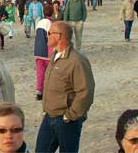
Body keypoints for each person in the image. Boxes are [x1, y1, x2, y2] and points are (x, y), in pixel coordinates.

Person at [35, 21, 95, 153]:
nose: (47, 36)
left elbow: (86, 92)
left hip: (66, 120)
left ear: (58, 36)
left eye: (49, 33)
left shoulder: (77, 61)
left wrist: (70, 115)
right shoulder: (54, 56)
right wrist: (46, 110)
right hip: (49, 117)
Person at [34, 4, 54, 100]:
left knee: (40, 72)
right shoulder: (50, 23)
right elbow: (51, 38)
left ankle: (39, 92)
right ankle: (48, 91)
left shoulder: (39, 22)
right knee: (49, 73)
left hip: (38, 51)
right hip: (47, 51)